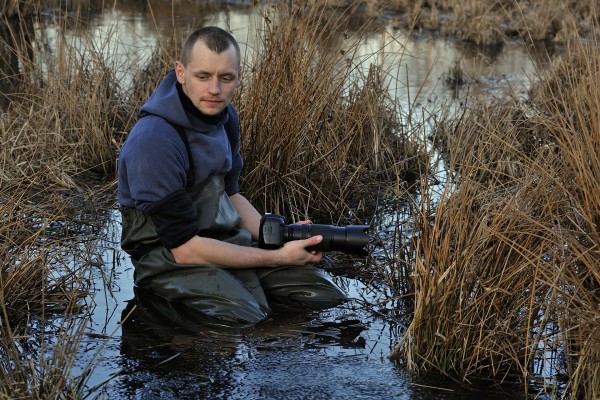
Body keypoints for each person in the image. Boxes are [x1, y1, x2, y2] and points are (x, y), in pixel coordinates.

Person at [117, 26, 346, 326]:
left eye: (225, 78)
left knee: (323, 294)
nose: (215, 90)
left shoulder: (226, 118)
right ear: (181, 72)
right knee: (246, 318)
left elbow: (229, 194)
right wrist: (277, 257)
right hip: (168, 258)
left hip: (220, 240)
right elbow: (185, 249)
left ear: (238, 77)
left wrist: (281, 236)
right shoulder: (155, 140)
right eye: (203, 76)